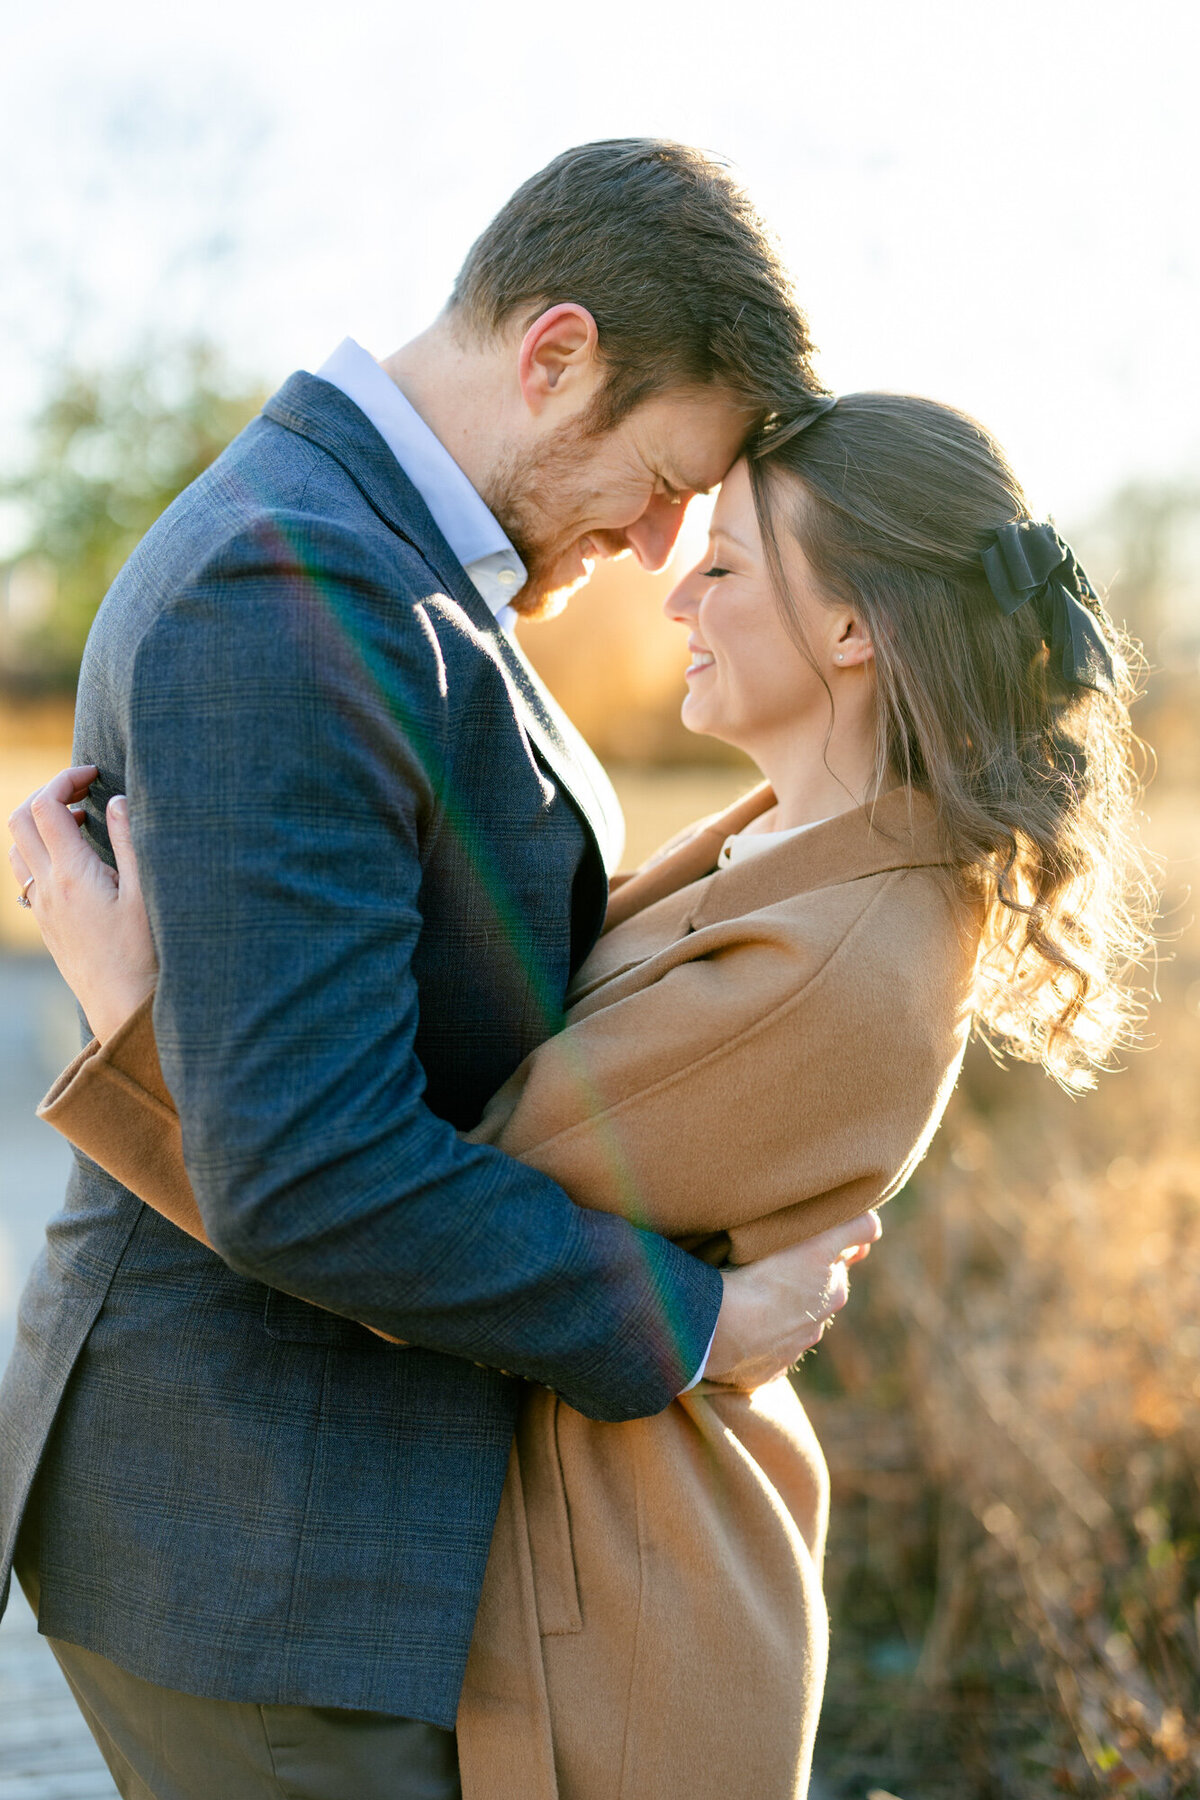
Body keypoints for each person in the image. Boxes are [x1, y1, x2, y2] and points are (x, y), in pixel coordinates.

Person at [11, 394, 1150, 1798]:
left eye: (727, 564)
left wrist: (139, 1021)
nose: (679, 587)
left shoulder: (834, 961)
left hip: (632, 1610)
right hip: (578, 1539)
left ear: (855, 631)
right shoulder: (790, 849)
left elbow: (381, 1205)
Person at [0, 140, 876, 1800]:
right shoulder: (297, 585)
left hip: (322, 1524)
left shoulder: (386, 565)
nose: (661, 545)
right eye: (668, 476)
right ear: (555, 357)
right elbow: (310, 1166)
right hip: (265, 1548)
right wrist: (696, 1322)